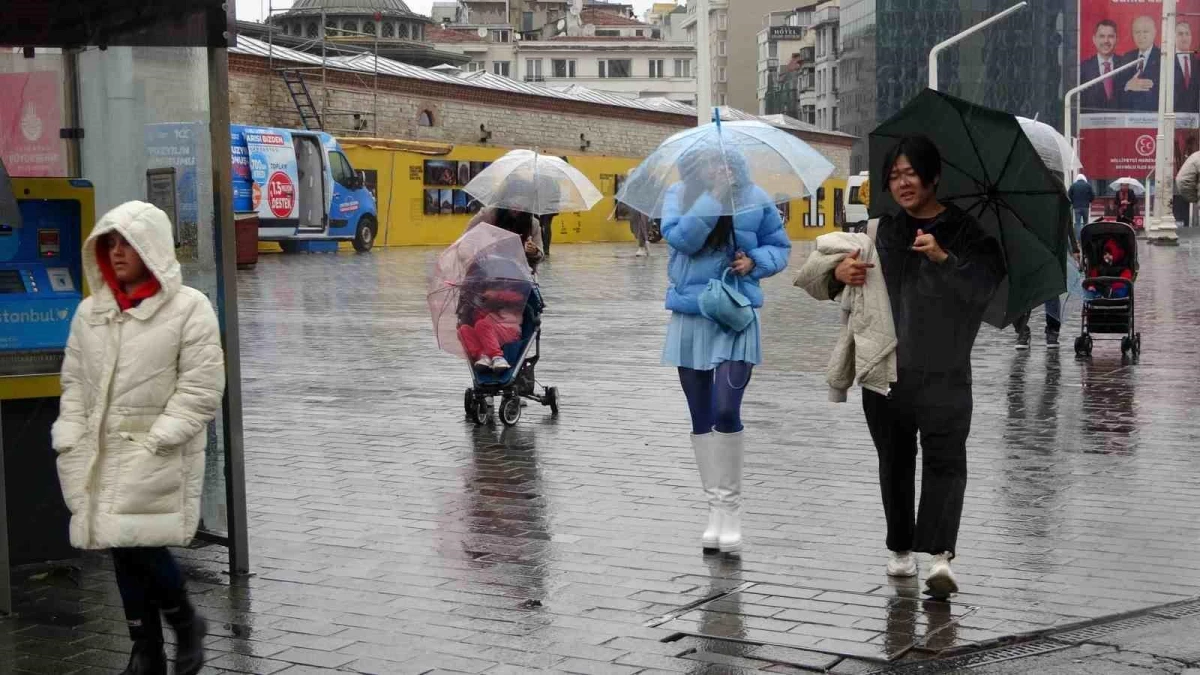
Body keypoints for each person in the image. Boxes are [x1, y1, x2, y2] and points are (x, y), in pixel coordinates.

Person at [52, 202, 225, 675]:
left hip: (156, 453)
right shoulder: (91, 312)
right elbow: (73, 384)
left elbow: (201, 387)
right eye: (110, 242)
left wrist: (160, 439)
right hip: (100, 454)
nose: (118, 251)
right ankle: (145, 646)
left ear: (152, 247)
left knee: (141, 546)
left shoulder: (190, 308)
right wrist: (69, 437)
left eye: (128, 241)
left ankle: (183, 623)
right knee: (122, 547)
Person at [830, 135, 1004, 599]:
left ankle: (941, 556)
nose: (902, 183)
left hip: (946, 368)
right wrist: (840, 275)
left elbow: (983, 291)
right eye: (894, 176)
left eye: (910, 174)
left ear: (932, 177)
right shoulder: (881, 229)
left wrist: (943, 258)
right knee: (895, 460)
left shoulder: (968, 232)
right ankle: (901, 548)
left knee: (946, 461)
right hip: (887, 367)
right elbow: (843, 283)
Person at [662, 146, 791, 554]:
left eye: (723, 162)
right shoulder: (678, 195)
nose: (716, 168)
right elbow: (681, 238)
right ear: (694, 166)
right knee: (700, 416)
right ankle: (714, 510)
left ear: (735, 164)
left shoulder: (755, 199)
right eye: (707, 162)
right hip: (690, 316)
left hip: (735, 315)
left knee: (725, 409)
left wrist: (755, 262)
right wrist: (713, 197)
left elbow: (780, 247)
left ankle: (731, 511)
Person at [1015, 183, 1084, 350]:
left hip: (1053, 249)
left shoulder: (1057, 187)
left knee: (1051, 292)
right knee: (1023, 293)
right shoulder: (1022, 187)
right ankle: (1022, 330)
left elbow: (1066, 221)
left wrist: (1074, 248)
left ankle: (1052, 331)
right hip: (1028, 248)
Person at [1120, 16, 1161, 112]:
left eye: (1145, 32)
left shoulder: (1163, 57)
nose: (1141, 36)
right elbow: (1118, 88)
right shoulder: (1127, 57)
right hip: (1129, 117)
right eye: (1137, 32)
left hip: (1154, 118)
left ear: (1154, 33)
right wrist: (1127, 86)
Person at [1080, 20, 1123, 111]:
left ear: (1117, 39)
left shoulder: (1127, 65)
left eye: (1110, 36)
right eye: (1102, 36)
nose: (1106, 41)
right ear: (1094, 39)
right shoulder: (1083, 68)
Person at [1176, 21, 1199, 113]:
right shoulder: (1166, 61)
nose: (1184, 37)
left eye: (1187, 34)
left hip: (1195, 117)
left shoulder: (1197, 62)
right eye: (1180, 34)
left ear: (1191, 37)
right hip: (1172, 116)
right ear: (1173, 37)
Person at [1067, 174, 1094, 238]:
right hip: (1085, 207)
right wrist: (1089, 201)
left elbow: (1068, 195)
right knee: (1085, 222)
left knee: (1078, 223)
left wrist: (1073, 201)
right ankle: (1085, 237)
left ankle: (1078, 238)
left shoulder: (1073, 185)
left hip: (1077, 207)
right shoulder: (1088, 185)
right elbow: (1093, 195)